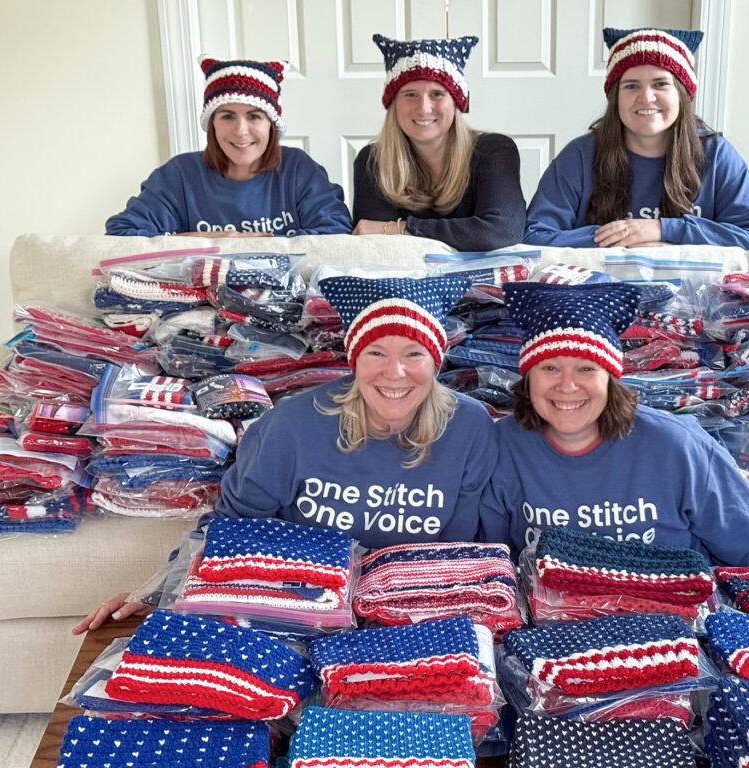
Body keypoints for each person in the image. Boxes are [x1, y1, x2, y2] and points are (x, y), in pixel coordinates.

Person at [75, 275, 496, 633]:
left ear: (436, 360)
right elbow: (229, 528)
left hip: (412, 616)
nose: (395, 372)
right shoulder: (293, 424)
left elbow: (456, 551)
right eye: (376, 353)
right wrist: (160, 590)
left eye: (413, 354)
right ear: (354, 358)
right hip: (294, 607)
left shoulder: (470, 427)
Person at [480, 281, 749, 566]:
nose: (567, 385)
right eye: (550, 367)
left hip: (669, 611)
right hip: (551, 616)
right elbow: (494, 564)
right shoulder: (500, 446)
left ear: (611, 379)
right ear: (528, 377)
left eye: (586, 368)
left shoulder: (677, 445)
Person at [523, 27, 749, 250]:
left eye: (660, 84)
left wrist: (663, 230)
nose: (646, 97)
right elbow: (534, 237)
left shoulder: (717, 154)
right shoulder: (580, 155)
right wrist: (626, 238)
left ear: (682, 94)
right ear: (615, 97)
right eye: (631, 85)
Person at [105, 55, 352, 237]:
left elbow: (336, 234)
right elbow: (123, 236)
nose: (241, 131)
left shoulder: (298, 169)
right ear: (212, 124)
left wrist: (250, 248)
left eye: (254, 116)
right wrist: (218, 238)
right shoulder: (180, 175)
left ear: (271, 125)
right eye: (227, 116)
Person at [351, 34, 526, 251]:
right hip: (402, 281)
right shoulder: (373, 161)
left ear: (456, 103)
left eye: (436, 94)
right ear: (393, 104)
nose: (423, 108)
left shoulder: (494, 150)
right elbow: (376, 246)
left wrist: (400, 228)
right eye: (410, 94)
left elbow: (501, 231)